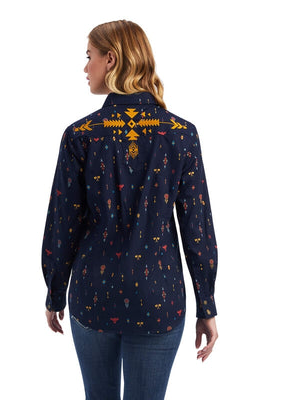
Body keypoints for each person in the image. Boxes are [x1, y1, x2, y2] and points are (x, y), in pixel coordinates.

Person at [41, 19, 219, 400]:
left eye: (89, 56)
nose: (85, 67)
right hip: (159, 298)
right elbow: (197, 228)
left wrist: (55, 291)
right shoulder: (181, 135)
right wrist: (206, 303)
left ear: (111, 60)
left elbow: (62, 224)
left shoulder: (80, 136)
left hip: (93, 295)